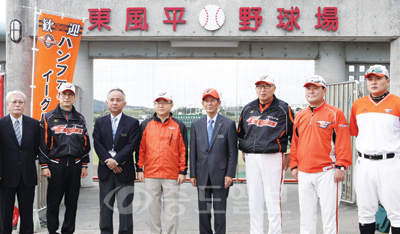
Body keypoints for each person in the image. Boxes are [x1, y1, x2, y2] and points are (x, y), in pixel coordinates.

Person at [290, 75, 352, 234]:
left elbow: (343, 141)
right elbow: (295, 143)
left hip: (328, 172)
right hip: (304, 172)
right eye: (308, 88)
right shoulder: (300, 115)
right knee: (306, 216)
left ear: (324, 90)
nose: (311, 91)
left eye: (315, 88)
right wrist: (294, 165)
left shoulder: (335, 113)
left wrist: (341, 166)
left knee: (329, 216)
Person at [237, 75, 294, 234]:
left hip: (273, 157)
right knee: (254, 200)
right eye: (260, 86)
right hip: (251, 158)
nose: (263, 90)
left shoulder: (283, 108)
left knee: (273, 200)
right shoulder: (248, 108)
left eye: (267, 86)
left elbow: (295, 134)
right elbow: (241, 133)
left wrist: (290, 154)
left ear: (274, 89)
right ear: (256, 89)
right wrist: (244, 149)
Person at [349, 65, 400, 234]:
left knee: (396, 212)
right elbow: (355, 132)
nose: (374, 82)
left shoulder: (397, 102)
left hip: (391, 163)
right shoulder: (357, 104)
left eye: (378, 78)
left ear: (387, 81)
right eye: (370, 79)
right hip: (364, 163)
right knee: (365, 211)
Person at [39, 82, 91, 234]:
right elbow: (42, 143)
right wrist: (44, 165)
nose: (67, 97)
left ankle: (68, 231)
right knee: (53, 202)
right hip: (56, 165)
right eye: (64, 94)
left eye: (70, 95)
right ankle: (52, 230)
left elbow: (85, 143)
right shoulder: (48, 117)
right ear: (58, 96)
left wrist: (84, 164)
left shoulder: (80, 118)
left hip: (75, 166)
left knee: (72, 202)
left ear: (74, 98)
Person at [137, 91, 188, 234]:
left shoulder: (179, 125)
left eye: (165, 102)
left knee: (171, 211)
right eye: (158, 102)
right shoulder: (146, 124)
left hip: (172, 175)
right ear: (154, 105)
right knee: (152, 210)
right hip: (151, 174)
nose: (161, 105)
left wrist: (182, 171)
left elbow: (183, 150)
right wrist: (139, 169)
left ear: (171, 105)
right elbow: (140, 148)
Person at [190, 88, 238, 234]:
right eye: (206, 101)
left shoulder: (228, 124)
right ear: (202, 104)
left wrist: (230, 174)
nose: (209, 103)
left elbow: (232, 152)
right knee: (203, 212)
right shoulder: (196, 125)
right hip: (202, 174)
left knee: (219, 212)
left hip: (221, 176)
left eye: (213, 100)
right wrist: (193, 174)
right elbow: (193, 152)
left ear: (219, 103)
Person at [93, 88, 140, 234]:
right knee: (105, 208)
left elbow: (132, 145)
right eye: (112, 100)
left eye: (118, 100)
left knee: (125, 208)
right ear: (107, 103)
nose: (115, 103)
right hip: (106, 171)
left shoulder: (132, 123)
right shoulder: (100, 122)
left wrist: (117, 161)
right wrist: (110, 162)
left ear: (124, 103)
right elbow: (97, 143)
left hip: (124, 171)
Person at [0, 91, 40, 234]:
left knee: (27, 212)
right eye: (14, 102)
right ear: (7, 105)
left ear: (24, 105)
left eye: (20, 102)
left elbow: (36, 148)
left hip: (27, 176)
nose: (17, 104)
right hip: (5, 177)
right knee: (4, 214)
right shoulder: (1, 124)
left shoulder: (34, 125)